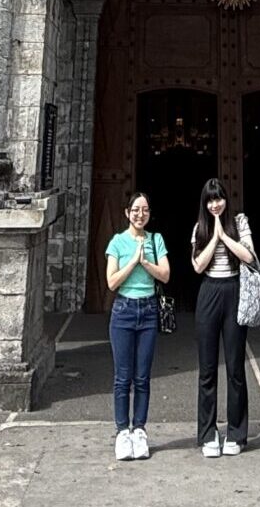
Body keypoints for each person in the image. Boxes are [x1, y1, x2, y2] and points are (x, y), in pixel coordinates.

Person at [190, 178, 256, 457]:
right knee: (207, 370)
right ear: (205, 203)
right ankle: (208, 433)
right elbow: (197, 265)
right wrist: (213, 237)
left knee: (235, 367)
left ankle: (237, 433)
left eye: (219, 199)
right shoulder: (199, 228)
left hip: (234, 289)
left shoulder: (239, 222)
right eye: (210, 200)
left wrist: (225, 236)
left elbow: (249, 257)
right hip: (209, 292)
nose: (215, 204)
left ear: (226, 200)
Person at [104, 190, 170, 461]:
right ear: (127, 213)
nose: (140, 214)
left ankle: (139, 429)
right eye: (135, 210)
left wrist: (146, 261)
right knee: (123, 377)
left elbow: (165, 274)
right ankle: (122, 432)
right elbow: (111, 281)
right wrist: (133, 261)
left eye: (144, 210)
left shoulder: (156, 239)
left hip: (149, 310)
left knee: (142, 376)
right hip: (123, 310)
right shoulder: (117, 242)